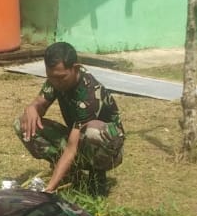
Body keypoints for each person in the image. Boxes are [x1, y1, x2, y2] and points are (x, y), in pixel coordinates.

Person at [15, 42, 124, 193]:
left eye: (61, 77)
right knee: (23, 124)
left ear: (76, 68)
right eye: (51, 77)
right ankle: (72, 173)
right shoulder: (57, 77)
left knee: (92, 131)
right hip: (77, 135)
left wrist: (49, 189)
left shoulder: (89, 93)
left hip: (109, 148)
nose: (56, 82)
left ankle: (96, 177)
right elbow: (39, 103)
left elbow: (72, 147)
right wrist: (31, 108)